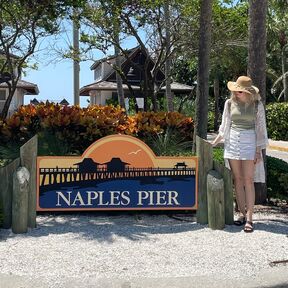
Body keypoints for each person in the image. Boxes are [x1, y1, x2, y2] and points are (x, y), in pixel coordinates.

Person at [211, 76, 268, 233]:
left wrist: (258, 150)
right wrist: (214, 142)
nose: (236, 93)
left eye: (239, 91)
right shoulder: (229, 103)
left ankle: (250, 218)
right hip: (233, 141)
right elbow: (224, 125)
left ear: (248, 92)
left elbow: (260, 129)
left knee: (249, 180)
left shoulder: (257, 105)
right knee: (238, 179)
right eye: (235, 91)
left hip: (250, 141)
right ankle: (242, 215)